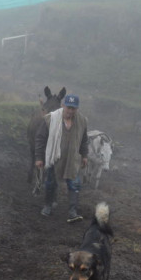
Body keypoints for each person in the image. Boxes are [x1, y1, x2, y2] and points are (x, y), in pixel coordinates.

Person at [35, 94, 88, 223]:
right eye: (68, 107)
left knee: (74, 184)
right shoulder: (51, 119)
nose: (70, 111)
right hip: (55, 157)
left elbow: (84, 140)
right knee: (51, 182)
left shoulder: (81, 121)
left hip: (72, 158)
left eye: (73, 108)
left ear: (77, 109)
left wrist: (85, 155)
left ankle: (72, 212)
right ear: (63, 106)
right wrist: (39, 157)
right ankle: (48, 206)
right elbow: (40, 139)